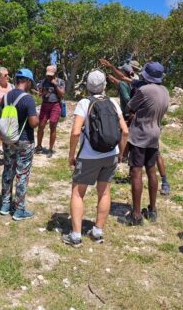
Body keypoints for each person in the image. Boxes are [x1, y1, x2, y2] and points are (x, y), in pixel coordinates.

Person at [63, 70, 129, 247]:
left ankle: (76, 236)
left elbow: (76, 132)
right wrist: (121, 153)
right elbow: (125, 131)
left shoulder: (84, 103)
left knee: (78, 192)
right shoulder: (114, 103)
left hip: (88, 155)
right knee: (105, 192)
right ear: (104, 86)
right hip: (111, 154)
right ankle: (98, 231)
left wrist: (71, 154)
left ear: (87, 85)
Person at [99, 57, 171, 195]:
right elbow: (123, 77)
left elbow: (130, 104)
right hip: (153, 128)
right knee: (153, 157)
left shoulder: (144, 88)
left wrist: (130, 115)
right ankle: (163, 182)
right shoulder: (157, 88)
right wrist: (111, 67)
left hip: (141, 126)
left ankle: (153, 181)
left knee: (142, 160)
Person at [120, 62, 169, 225]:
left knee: (136, 172)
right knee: (151, 171)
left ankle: (135, 214)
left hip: (140, 134)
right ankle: (153, 210)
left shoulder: (144, 90)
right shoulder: (165, 91)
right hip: (155, 134)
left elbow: (129, 107)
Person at [0, 68, 39, 221]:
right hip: (24, 140)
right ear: (27, 82)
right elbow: (33, 122)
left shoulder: (6, 97)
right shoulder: (28, 99)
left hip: (8, 140)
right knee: (22, 174)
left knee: (8, 170)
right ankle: (19, 209)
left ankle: (5, 205)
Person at [36, 65, 65, 158]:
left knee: (53, 126)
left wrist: (55, 84)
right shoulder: (43, 81)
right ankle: (39, 146)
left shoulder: (60, 81)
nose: (49, 77)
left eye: (51, 75)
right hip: (45, 104)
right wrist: (42, 93)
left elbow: (62, 94)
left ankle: (50, 149)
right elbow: (39, 94)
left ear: (55, 73)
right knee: (41, 126)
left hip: (55, 105)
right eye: (48, 75)